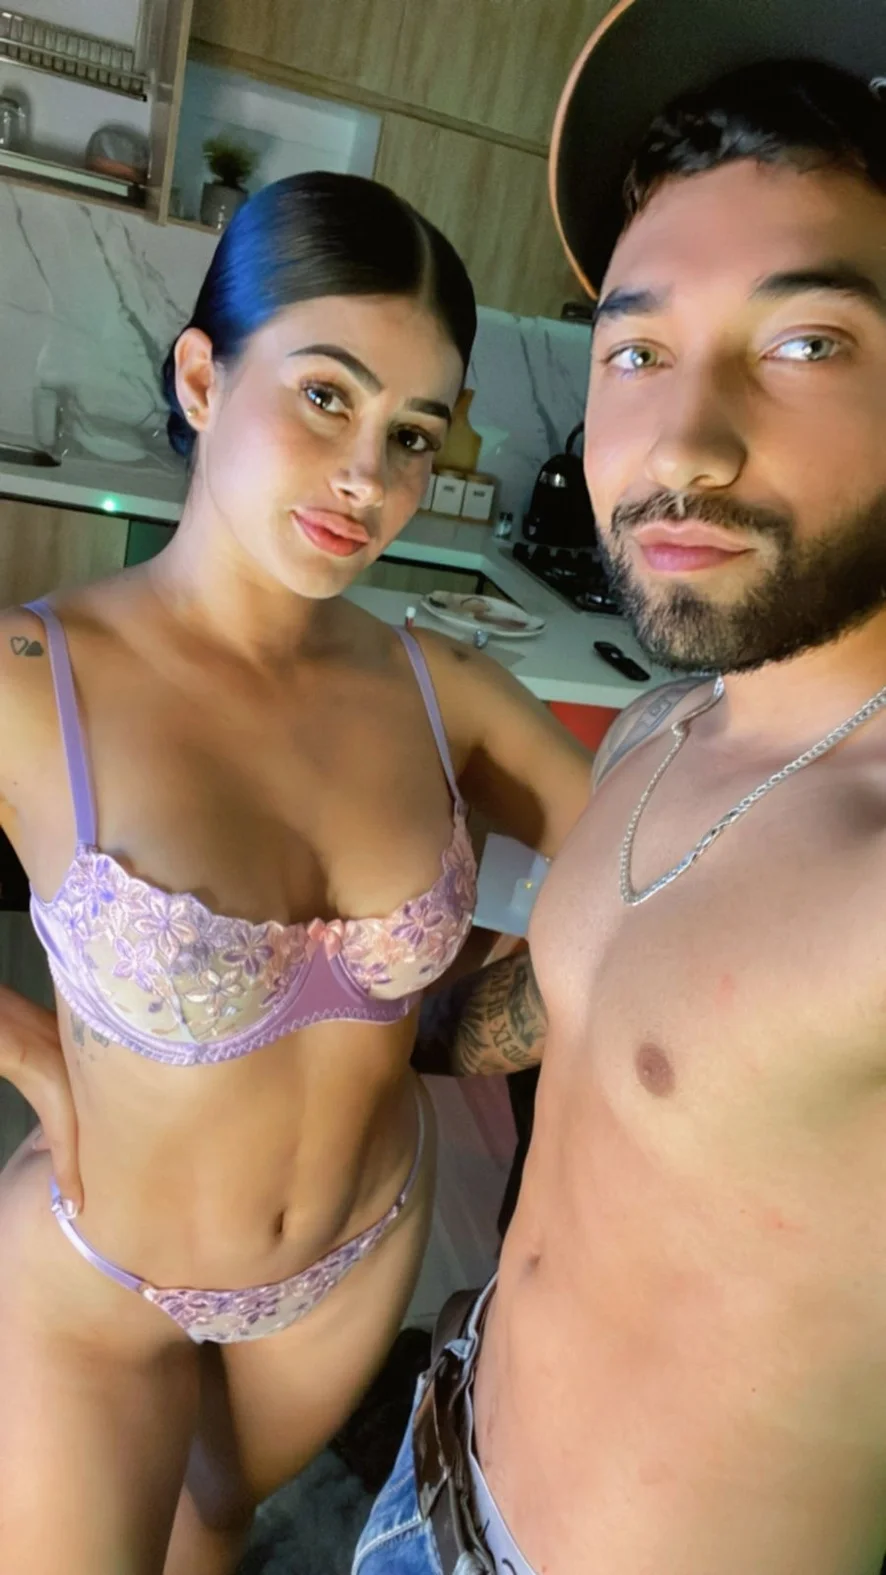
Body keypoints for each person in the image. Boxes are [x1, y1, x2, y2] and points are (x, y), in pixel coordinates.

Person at [352, 7, 886, 1574]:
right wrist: (311, 1006)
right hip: (435, 1461)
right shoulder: (660, 728)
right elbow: (580, 1008)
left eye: (805, 344)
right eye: (637, 349)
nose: (684, 447)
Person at [0, 170, 592, 1575]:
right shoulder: (34, 681)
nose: (367, 479)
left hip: (353, 1264)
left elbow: (651, 873)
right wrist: (32, 1060)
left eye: (411, 434)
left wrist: (485, 1020)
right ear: (203, 377)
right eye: (326, 394)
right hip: (103, 1275)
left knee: (214, 1532)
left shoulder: (444, 690)